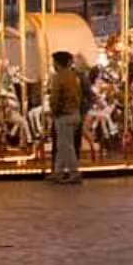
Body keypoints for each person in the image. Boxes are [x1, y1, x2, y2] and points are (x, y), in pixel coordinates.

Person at [47, 50, 85, 185]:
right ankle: (58, 171)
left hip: (64, 115)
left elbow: (55, 97)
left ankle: (74, 172)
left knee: (66, 146)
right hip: (74, 113)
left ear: (57, 63)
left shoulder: (59, 77)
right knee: (63, 145)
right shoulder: (74, 77)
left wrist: (53, 111)